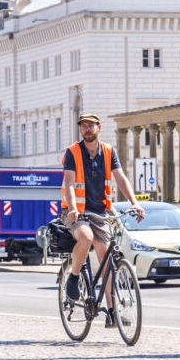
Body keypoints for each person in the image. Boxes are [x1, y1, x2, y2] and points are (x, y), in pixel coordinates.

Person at [61, 113, 145, 328]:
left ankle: (111, 312)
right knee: (85, 237)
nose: (87, 129)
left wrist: (134, 203)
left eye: (91, 126)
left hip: (100, 211)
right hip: (76, 211)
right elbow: (69, 182)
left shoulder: (108, 151)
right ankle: (74, 276)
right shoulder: (73, 152)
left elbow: (120, 177)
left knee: (106, 259)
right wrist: (72, 209)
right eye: (83, 126)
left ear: (99, 128)